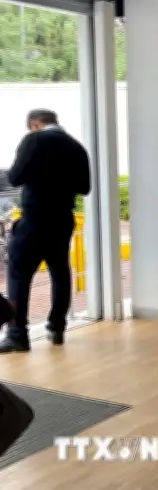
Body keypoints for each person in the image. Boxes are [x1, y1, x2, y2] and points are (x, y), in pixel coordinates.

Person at [0, 109, 90, 353]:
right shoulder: (76, 146)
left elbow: (15, 177)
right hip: (62, 219)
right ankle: (57, 327)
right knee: (59, 272)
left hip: (35, 220)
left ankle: (18, 335)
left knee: (18, 276)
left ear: (34, 124)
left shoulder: (34, 139)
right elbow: (85, 187)